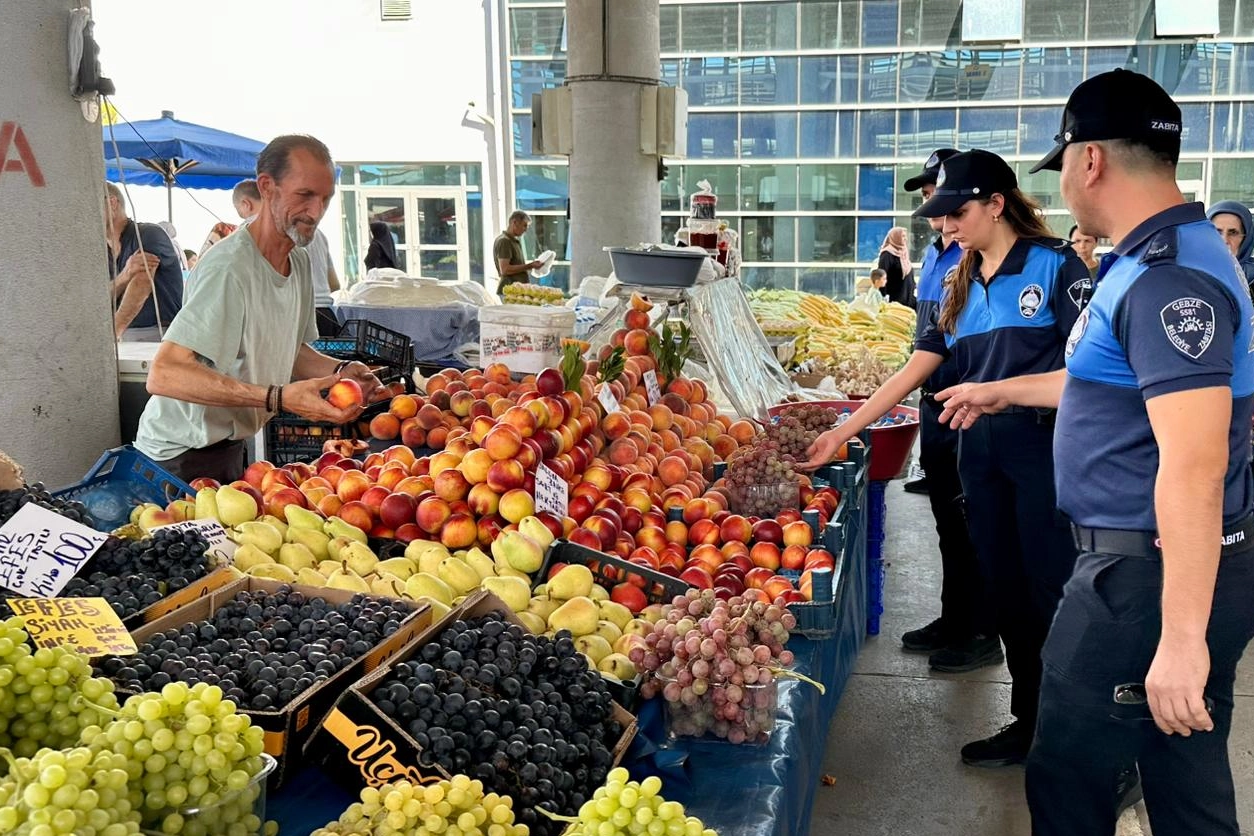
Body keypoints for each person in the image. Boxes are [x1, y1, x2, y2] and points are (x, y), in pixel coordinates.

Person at [939, 69, 1254, 836]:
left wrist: (1180, 640)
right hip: (1151, 567)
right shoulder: (1158, 255)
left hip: (1140, 576)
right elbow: (1107, 384)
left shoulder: (1167, 279)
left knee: (1070, 778)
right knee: (1180, 773)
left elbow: (1195, 460)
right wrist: (1004, 391)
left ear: (1091, 162)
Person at [805, 149, 1089, 768]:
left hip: (1045, 457)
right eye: (938, 217)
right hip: (978, 459)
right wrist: (843, 430)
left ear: (996, 203)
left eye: (955, 212)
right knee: (1007, 593)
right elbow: (914, 370)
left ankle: (1080, 742)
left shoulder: (1057, 268)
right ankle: (1031, 722)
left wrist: (1002, 393)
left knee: (1054, 596)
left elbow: (1092, 377)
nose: (945, 226)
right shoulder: (959, 281)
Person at [135, 134, 385, 484]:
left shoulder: (297, 261)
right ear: (267, 187)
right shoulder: (229, 269)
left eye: (325, 199)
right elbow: (164, 374)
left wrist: (342, 370)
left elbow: (291, 351)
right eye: (305, 196)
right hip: (177, 457)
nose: (316, 212)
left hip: (229, 447)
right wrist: (277, 398)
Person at [879, 148, 1002, 673]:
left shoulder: (976, 259)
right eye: (931, 200)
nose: (936, 212)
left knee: (975, 525)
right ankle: (955, 618)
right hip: (935, 407)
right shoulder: (934, 256)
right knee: (948, 524)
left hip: (970, 412)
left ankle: (981, 630)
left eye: (943, 200)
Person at [105, 182, 184, 342]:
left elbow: (141, 283)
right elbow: (100, 296)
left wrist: (112, 333)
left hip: (159, 332)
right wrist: (124, 275)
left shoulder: (148, 234)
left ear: (112, 203)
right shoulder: (102, 251)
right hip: (123, 335)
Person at [1206, 200, 1254, 289]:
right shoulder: (1190, 273)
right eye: (1217, 232)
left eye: (1233, 233)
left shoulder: (1251, 278)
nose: (1224, 240)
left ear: (1246, 239)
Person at [306, 227, 342, 336]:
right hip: (326, 315)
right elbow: (334, 284)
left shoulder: (286, 236)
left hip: (303, 315)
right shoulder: (320, 235)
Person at [494, 210, 541, 290]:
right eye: (524, 225)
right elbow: (505, 270)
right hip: (510, 291)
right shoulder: (504, 241)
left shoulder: (513, 241)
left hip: (516, 290)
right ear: (514, 222)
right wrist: (530, 266)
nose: (526, 230)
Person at [876, 226, 915, 307]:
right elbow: (881, 276)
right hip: (895, 302)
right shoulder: (887, 254)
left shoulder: (904, 252)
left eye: (905, 236)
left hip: (908, 299)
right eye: (903, 236)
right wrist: (883, 298)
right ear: (895, 237)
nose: (905, 239)